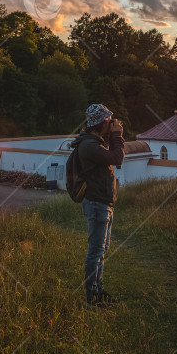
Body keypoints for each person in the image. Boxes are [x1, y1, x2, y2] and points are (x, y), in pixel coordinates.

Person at [71, 103, 125, 307]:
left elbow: (114, 158)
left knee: (101, 250)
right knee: (96, 251)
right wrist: (118, 135)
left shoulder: (95, 142)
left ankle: (98, 290)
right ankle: (92, 296)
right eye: (109, 122)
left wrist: (114, 136)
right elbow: (117, 157)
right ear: (103, 123)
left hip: (102, 202)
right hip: (96, 203)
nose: (112, 124)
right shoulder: (89, 146)